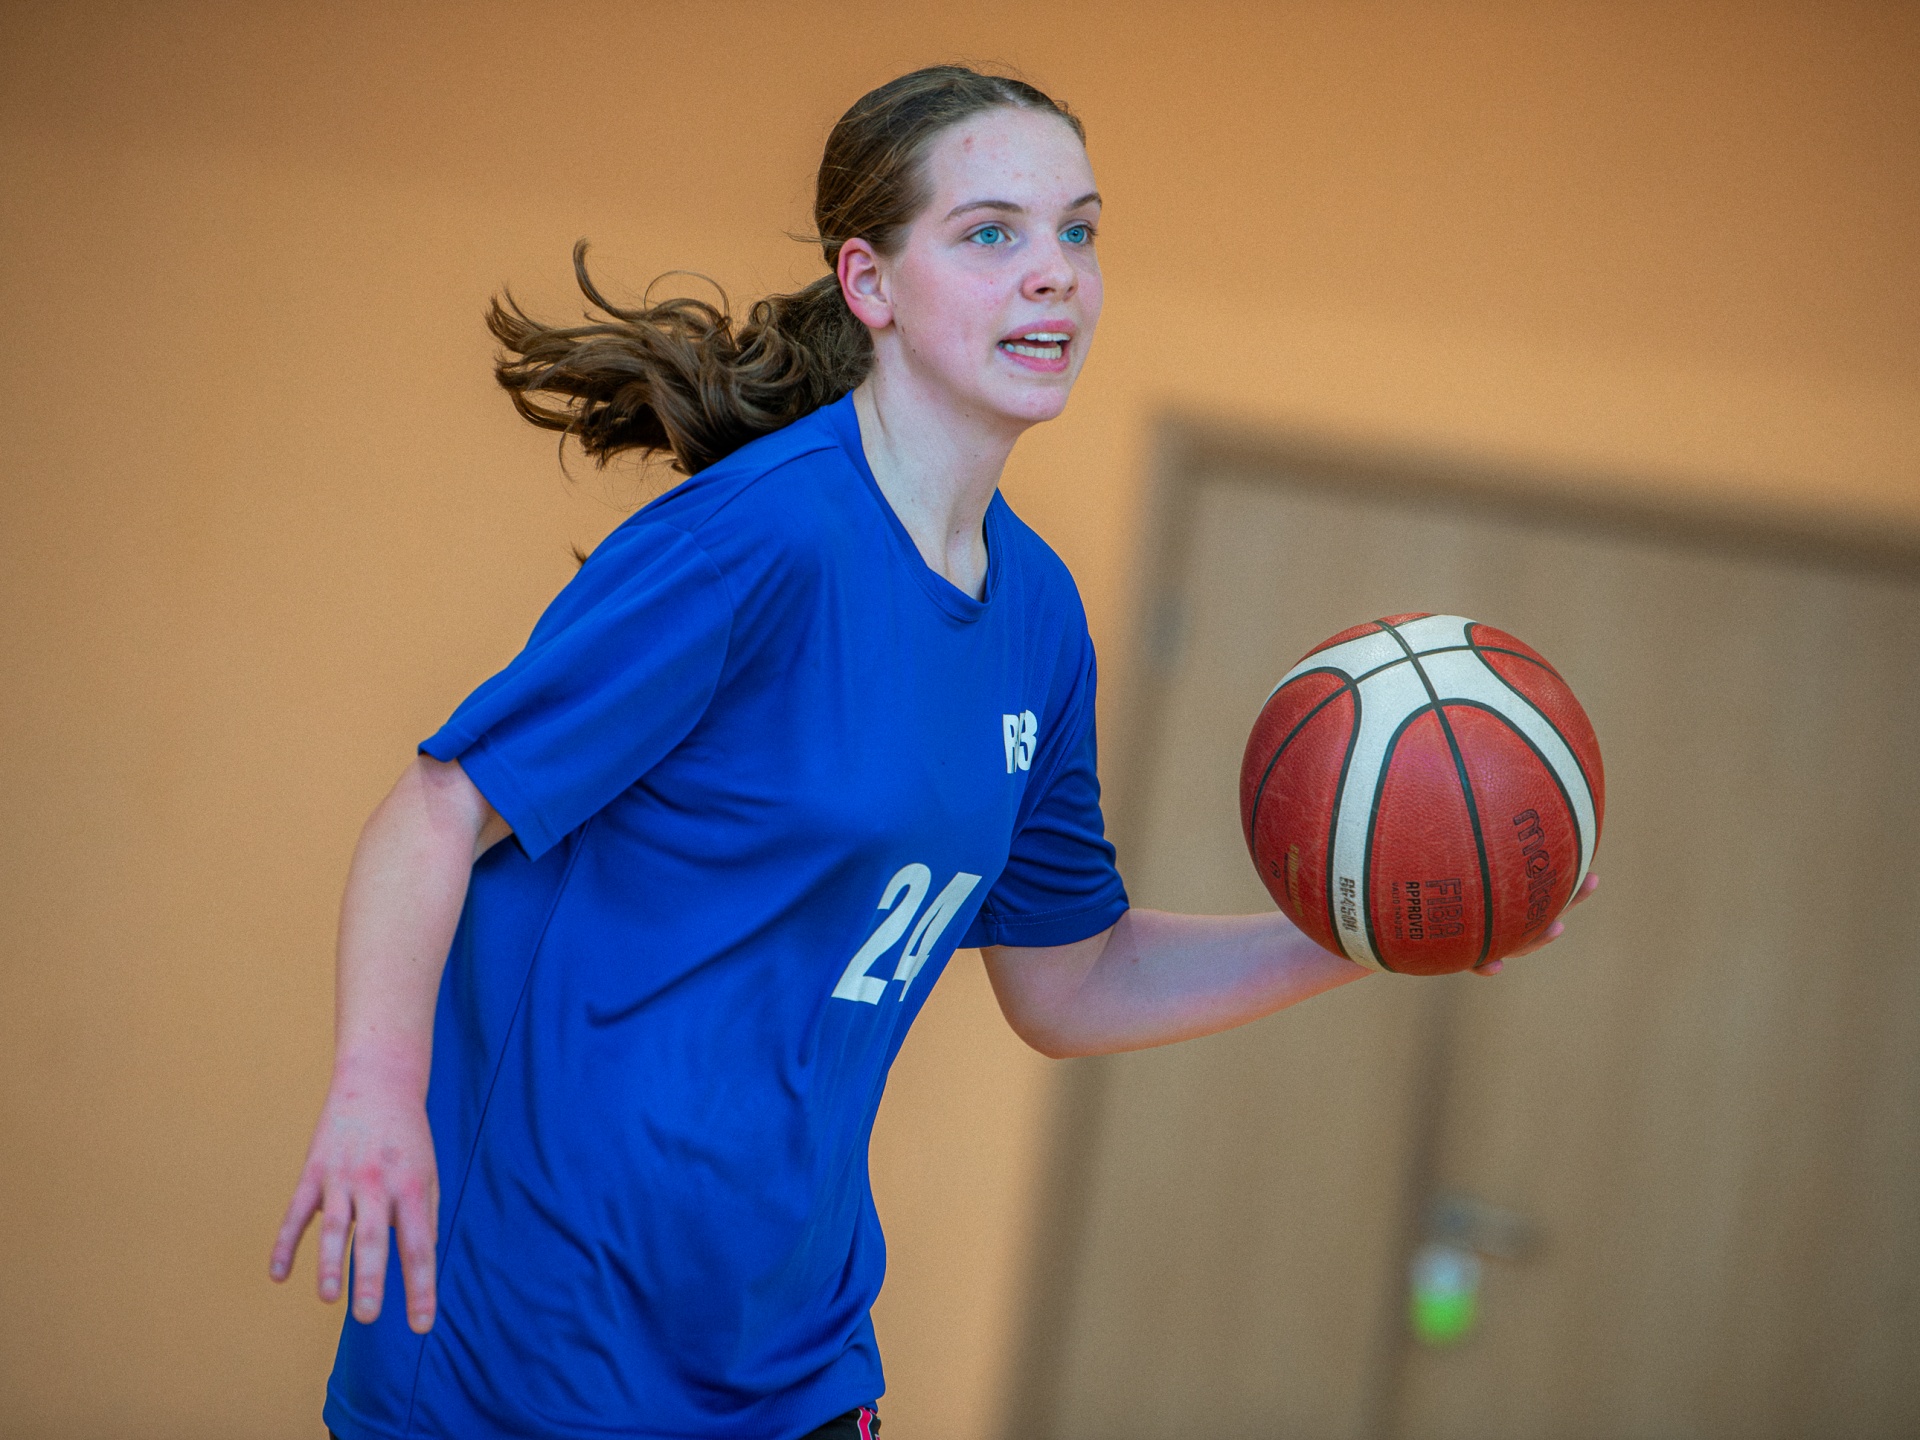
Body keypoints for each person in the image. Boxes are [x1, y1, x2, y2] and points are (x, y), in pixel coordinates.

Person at [269, 65, 1589, 1440]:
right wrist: (375, 1093)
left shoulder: (1039, 617)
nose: (1053, 272)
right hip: (528, 1336)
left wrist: (1371, 928)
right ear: (871, 282)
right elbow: (436, 810)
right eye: (991, 232)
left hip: (787, 1352)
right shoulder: (755, 544)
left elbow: (1072, 981)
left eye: (1078, 231)